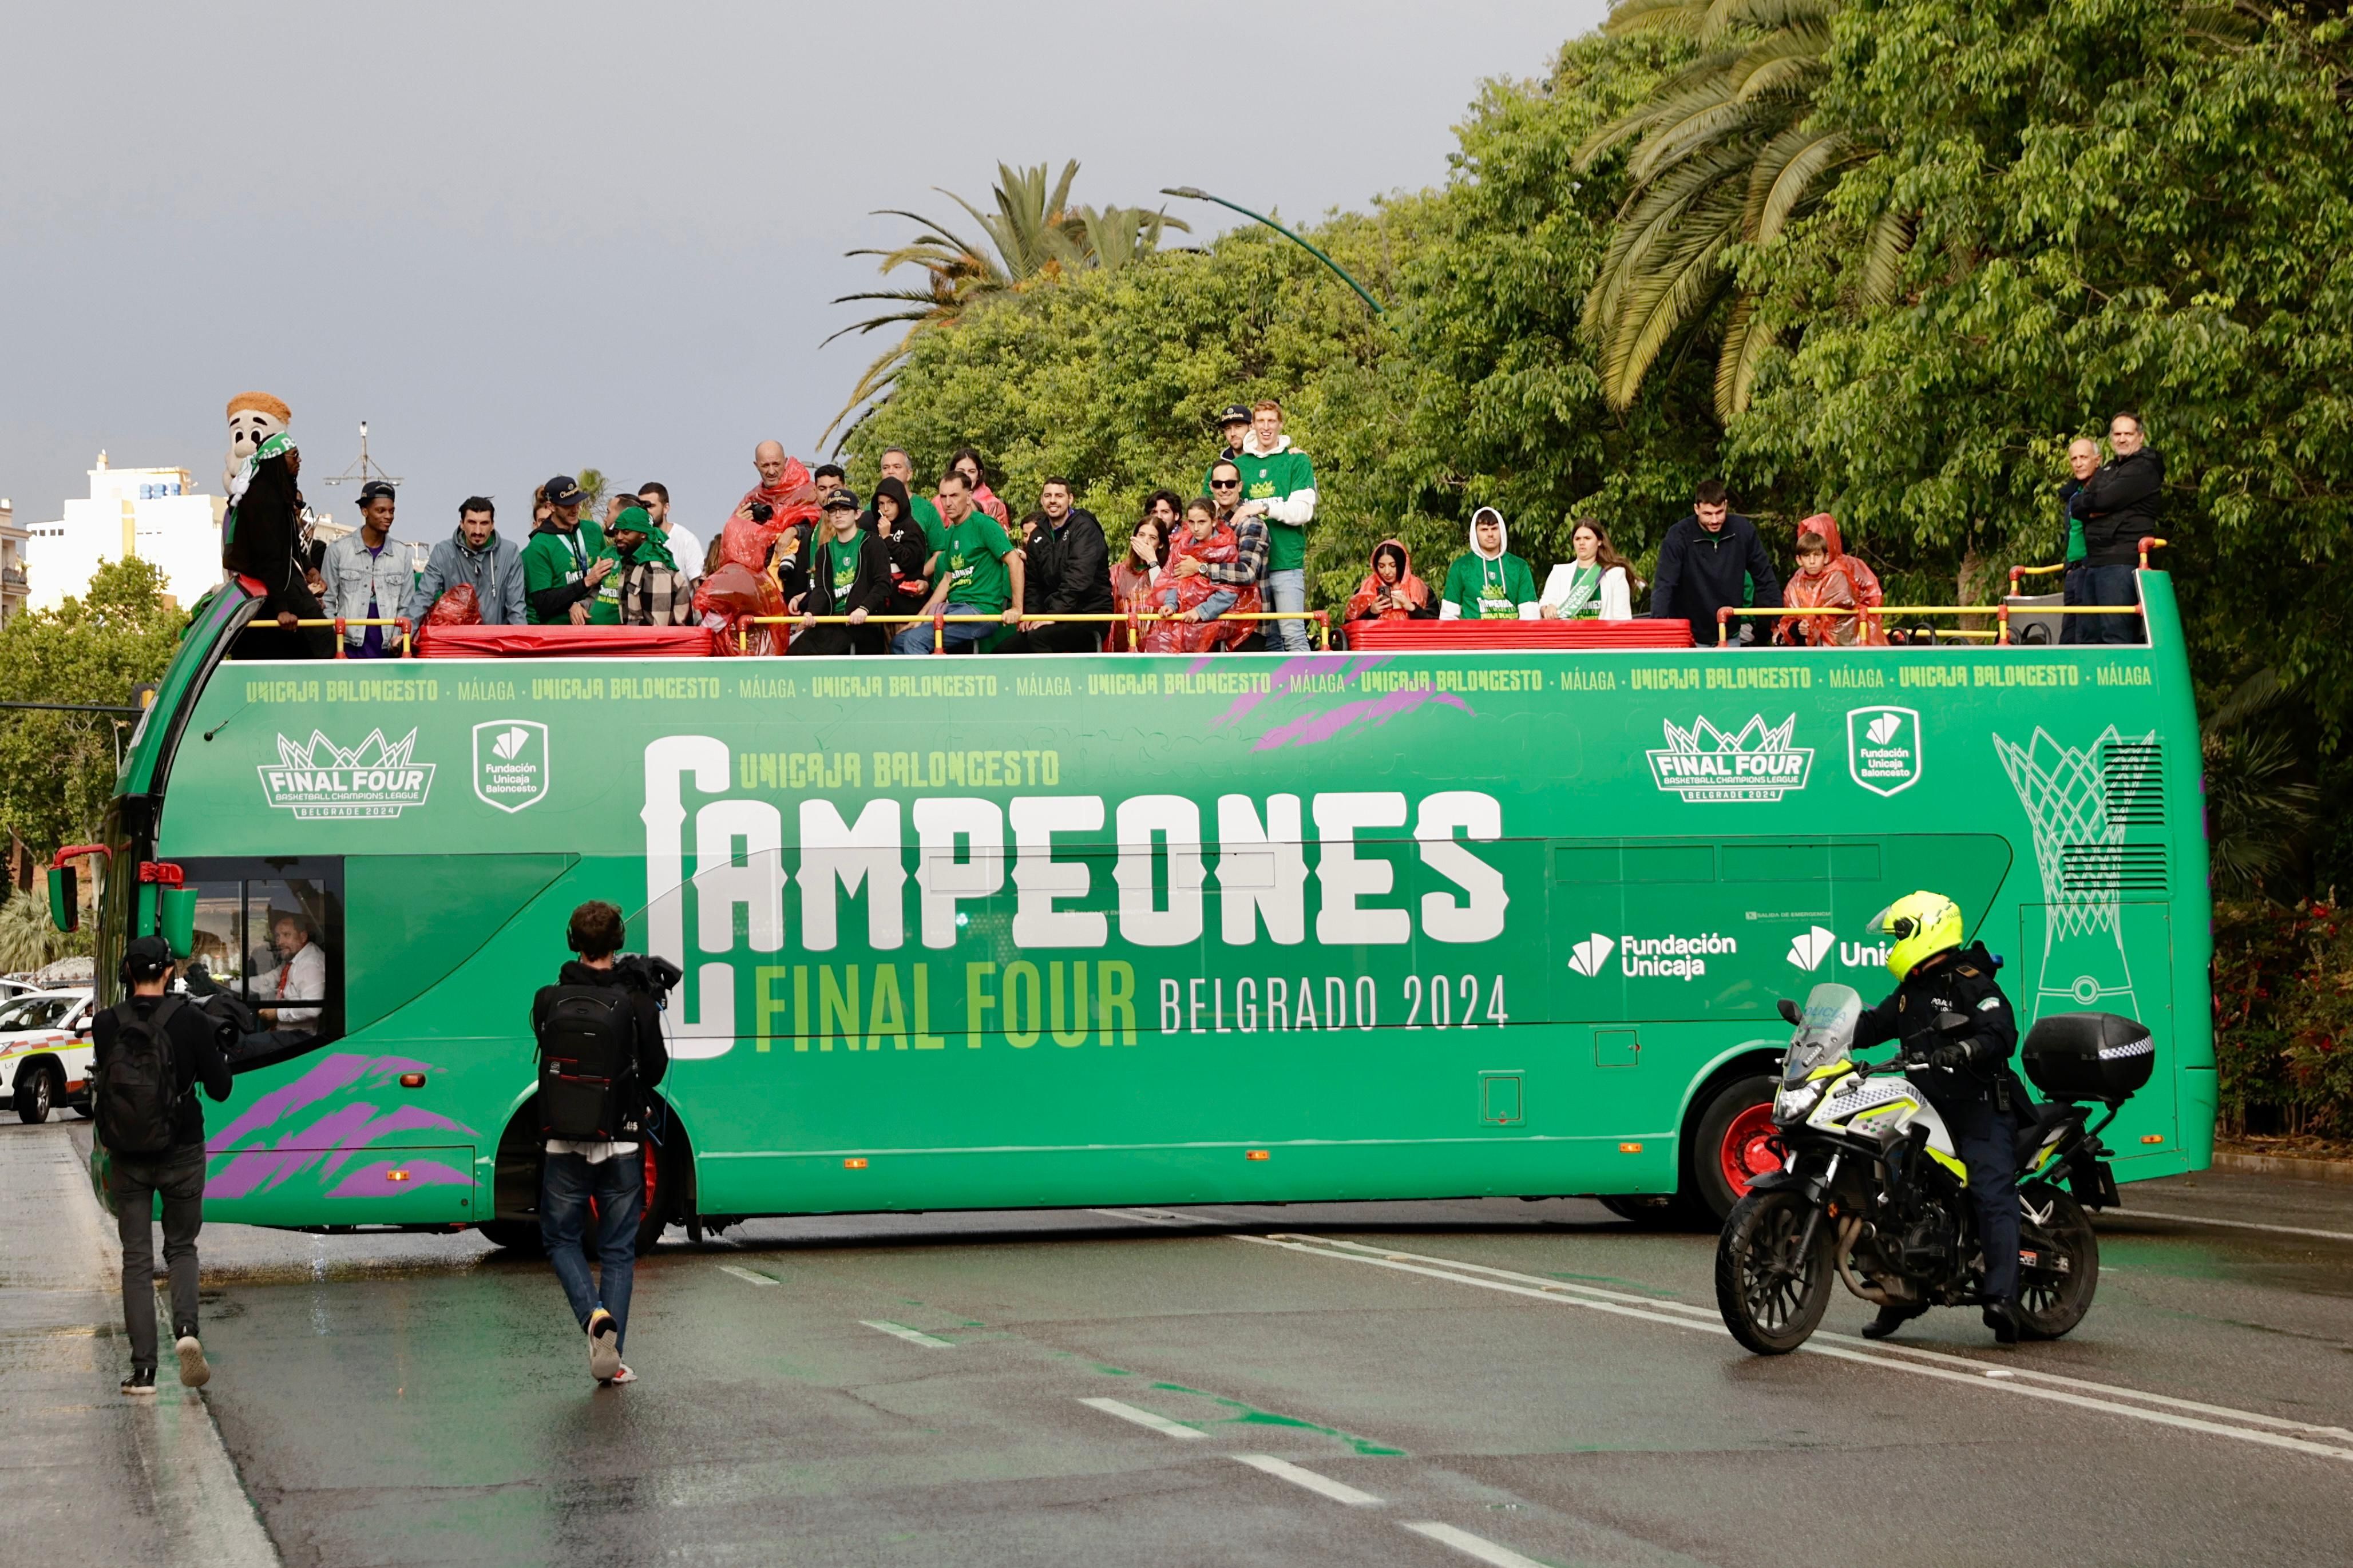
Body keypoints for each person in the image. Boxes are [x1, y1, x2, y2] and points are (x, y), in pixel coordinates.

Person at [1849, 891, 2025, 1346]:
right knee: (1894, 1194)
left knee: (1990, 1190)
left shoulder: (1970, 979)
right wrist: (1823, 1026)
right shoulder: (1911, 991)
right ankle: (1900, 1295)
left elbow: (2002, 1030)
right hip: (1926, 1108)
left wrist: (1966, 1048)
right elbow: (1871, 1026)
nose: (1893, 944)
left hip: (1979, 1106)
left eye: (1900, 934)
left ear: (1926, 930)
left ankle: (2003, 1296)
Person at [532, 900, 670, 1387]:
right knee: (617, 1249)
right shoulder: (637, 1002)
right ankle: (613, 1357)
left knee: (560, 1238)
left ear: (574, 941)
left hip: (562, 1142)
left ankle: (593, 1316)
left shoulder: (548, 999)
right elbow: (655, 1068)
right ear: (619, 942)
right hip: (624, 1141)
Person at [92, 935, 233, 1395]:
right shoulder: (192, 1019)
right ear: (169, 971)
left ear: (128, 974)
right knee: (182, 1247)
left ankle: (144, 1372)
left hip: (128, 1155)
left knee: (136, 1259)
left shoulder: (105, 1023)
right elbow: (220, 1089)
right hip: (183, 1148)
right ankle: (188, 1331)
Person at [221, 423, 332, 657]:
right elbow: (269, 557)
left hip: (284, 581)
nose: (299, 461)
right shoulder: (261, 497)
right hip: (268, 588)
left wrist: (309, 566)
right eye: (295, 456)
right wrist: (282, 609)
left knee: (320, 639)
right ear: (278, 460)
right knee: (322, 639)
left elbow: (290, 540)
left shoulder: (278, 493)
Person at [1219, 401, 1318, 653]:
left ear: (1280, 424)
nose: (1266, 427)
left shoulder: (1296, 461)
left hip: (1285, 563)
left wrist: (1262, 507)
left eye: (1271, 421)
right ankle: (1276, 692)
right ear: (1253, 425)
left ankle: (1308, 691)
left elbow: (1304, 511)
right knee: (1261, 640)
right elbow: (1214, 506)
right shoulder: (1239, 467)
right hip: (1249, 569)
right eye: (1260, 421)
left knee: (1293, 634)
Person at [893, 470, 1025, 654]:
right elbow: (947, 580)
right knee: (900, 641)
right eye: (944, 496)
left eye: (954, 496)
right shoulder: (950, 532)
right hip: (955, 609)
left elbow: (1015, 562)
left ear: (969, 496)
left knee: (916, 640)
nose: (948, 503)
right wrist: (921, 617)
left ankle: (929, 683)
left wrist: (1017, 608)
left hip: (980, 611)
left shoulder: (984, 524)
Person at [2067, 411, 2164, 645]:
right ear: (2111, 439)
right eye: (2117, 434)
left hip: (2122, 562)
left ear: (2140, 437)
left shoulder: (2145, 467)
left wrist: (2100, 504)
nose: (2122, 439)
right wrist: (2099, 504)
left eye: (2128, 434)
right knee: (2088, 638)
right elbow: (2078, 504)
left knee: (2116, 635)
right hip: (2094, 562)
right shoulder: (2109, 469)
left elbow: (2103, 500)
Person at [1649, 479, 1782, 646]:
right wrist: (1658, 630)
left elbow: (1765, 578)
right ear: (1696, 509)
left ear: (1726, 505)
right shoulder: (1678, 535)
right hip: (1689, 635)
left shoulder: (1743, 531)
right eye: (1708, 514)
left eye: (1719, 512)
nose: (1714, 520)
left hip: (1729, 632)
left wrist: (1781, 621)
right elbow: (1664, 585)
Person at [793, 489, 895, 656]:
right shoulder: (824, 551)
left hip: (865, 625)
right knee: (795, 653)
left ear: (857, 514)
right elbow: (821, 590)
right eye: (833, 511)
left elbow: (883, 584)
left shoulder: (872, 543)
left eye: (844, 509)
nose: (838, 515)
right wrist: (812, 612)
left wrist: (864, 608)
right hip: (833, 622)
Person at [1015, 477, 1114, 652]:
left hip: (1089, 615)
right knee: (1007, 649)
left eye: (1059, 496)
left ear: (1070, 499)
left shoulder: (1085, 528)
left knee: (1038, 638)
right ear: (1042, 500)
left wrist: (1054, 615)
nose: (1053, 500)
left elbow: (1079, 578)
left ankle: (1055, 680)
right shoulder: (1038, 535)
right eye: (1048, 495)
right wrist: (1032, 617)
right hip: (1054, 615)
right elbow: (1033, 584)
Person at [318, 479, 410, 656]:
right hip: (348, 649)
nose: (388, 516)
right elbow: (327, 602)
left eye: (392, 511)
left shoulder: (402, 554)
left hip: (389, 652)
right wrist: (336, 642)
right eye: (381, 510)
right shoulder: (338, 550)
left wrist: (398, 640)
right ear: (365, 511)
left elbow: (406, 605)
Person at [407, 497, 528, 627]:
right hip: (458, 641)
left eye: (484, 523)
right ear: (462, 524)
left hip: (496, 641)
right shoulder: (443, 551)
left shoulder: (510, 552)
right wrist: (406, 633)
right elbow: (424, 596)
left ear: (493, 525)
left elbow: (516, 608)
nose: (478, 531)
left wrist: (521, 643)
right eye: (472, 523)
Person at [1144, 499, 1243, 654]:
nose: (1196, 528)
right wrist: (1170, 605)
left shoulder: (1226, 549)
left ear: (1214, 521)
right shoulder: (1182, 545)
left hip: (1212, 622)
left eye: (1202, 522)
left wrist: (1201, 611)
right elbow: (1174, 579)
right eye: (1191, 522)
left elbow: (1229, 590)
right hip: (1181, 619)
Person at [1776, 514, 1884, 646]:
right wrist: (1798, 628)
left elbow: (1868, 599)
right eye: (1807, 555)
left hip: (1844, 641)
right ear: (1799, 559)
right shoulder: (1797, 580)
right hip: (1812, 648)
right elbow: (1790, 618)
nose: (1812, 561)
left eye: (1817, 554)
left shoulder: (1842, 570)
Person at [232, 910, 326, 1061]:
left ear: (303, 937)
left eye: (286, 935)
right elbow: (266, 981)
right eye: (277, 936)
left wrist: (277, 1013)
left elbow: (312, 1008)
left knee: (243, 1047)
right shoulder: (293, 960)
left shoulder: (311, 964)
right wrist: (228, 985)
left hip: (302, 1037)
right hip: (286, 1031)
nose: (279, 942)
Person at [1196, 461, 1270, 649]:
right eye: (1218, 484)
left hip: (1248, 623)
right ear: (1211, 487)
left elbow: (1247, 573)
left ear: (1240, 486)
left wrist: (1201, 568)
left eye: (1230, 484)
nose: (1224, 489)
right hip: (1213, 619)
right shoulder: (1208, 523)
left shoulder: (1252, 524)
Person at [522, 475, 610, 626]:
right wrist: (586, 582)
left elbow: (608, 580)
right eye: (567, 505)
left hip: (597, 628)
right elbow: (543, 603)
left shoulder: (593, 530)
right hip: (560, 635)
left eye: (577, 502)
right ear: (551, 507)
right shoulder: (538, 546)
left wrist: (583, 603)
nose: (575, 509)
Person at [591, 507, 695, 626]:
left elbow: (658, 629)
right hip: (635, 640)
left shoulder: (655, 570)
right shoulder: (631, 562)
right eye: (616, 532)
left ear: (643, 535)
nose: (619, 537)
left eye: (626, 532)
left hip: (654, 642)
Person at [1440, 507, 1541, 621]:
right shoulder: (1461, 567)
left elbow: (1530, 616)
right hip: (1474, 637)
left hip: (1510, 637)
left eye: (1494, 529)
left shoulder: (1519, 566)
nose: (1490, 534)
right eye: (1484, 530)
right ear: (1475, 533)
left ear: (1501, 530)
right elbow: (1448, 616)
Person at [1539, 520, 1634, 621]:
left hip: (1601, 635)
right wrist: (1547, 609)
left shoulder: (1615, 574)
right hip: (1569, 635)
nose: (1582, 543)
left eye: (1587, 538)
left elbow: (1623, 619)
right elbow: (1544, 603)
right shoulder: (1559, 572)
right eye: (1577, 539)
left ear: (1599, 541)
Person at [865, 476, 936, 612]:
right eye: (881, 503)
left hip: (907, 605)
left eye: (891, 502)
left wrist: (887, 538)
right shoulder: (873, 528)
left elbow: (910, 562)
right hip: (880, 606)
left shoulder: (912, 528)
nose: (886, 508)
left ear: (900, 502)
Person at [2054, 439, 2098, 644]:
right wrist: (2068, 568)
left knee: (2086, 635)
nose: (2079, 463)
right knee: (2068, 637)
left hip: (2091, 570)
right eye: (2074, 459)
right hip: (2073, 571)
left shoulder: (2104, 490)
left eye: (2084, 457)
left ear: (2097, 460)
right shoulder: (2073, 494)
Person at [1106, 514, 1165, 653]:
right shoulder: (1116, 572)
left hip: (1155, 649)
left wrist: (1152, 561)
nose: (1145, 541)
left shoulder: (1165, 572)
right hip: (1122, 648)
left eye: (1153, 538)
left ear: (1161, 544)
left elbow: (1163, 596)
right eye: (1142, 535)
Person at [1344, 539, 1435, 624]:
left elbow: (1436, 625)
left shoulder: (1422, 590)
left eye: (1393, 566)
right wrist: (1371, 612)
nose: (1387, 572)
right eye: (1382, 566)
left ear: (1402, 565)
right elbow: (1349, 630)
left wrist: (1412, 608)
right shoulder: (1364, 591)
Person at [878, 447, 946, 545]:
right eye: (886, 468)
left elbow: (940, 551)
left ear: (909, 474)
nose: (890, 471)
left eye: (897, 467)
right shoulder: (870, 510)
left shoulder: (926, 510)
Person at [635, 482, 701, 581]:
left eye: (650, 506)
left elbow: (699, 586)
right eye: (641, 507)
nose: (646, 511)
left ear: (666, 508)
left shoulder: (686, 540)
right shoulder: (634, 541)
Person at [947, 447, 1012, 535]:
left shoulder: (994, 505)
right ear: (952, 473)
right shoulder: (940, 502)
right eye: (961, 471)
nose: (966, 476)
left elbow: (1001, 540)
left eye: (972, 471)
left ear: (979, 474)